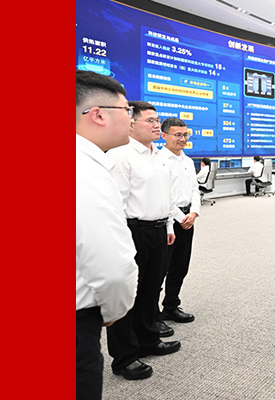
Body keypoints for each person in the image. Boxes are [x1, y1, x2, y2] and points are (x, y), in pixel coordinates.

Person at [106, 101, 182, 381]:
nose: (156, 125)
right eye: (150, 120)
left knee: (151, 289)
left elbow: (166, 195)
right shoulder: (121, 156)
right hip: (133, 230)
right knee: (128, 293)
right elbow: (116, 203)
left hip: (159, 229)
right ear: (131, 124)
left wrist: (169, 224)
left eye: (157, 120)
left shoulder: (159, 155)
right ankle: (124, 357)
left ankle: (148, 340)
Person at [76, 70, 139, 399]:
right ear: (98, 115)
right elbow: (110, 265)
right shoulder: (85, 172)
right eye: (127, 110)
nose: (131, 119)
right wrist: (115, 311)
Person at [158, 117, 200, 326]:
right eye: (178, 135)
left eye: (185, 135)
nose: (183, 139)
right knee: (159, 269)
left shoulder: (188, 161)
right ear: (164, 136)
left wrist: (194, 213)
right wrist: (180, 217)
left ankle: (171, 306)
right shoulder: (158, 160)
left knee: (180, 266)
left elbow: (194, 189)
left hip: (187, 219)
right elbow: (162, 193)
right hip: (167, 221)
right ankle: (152, 315)